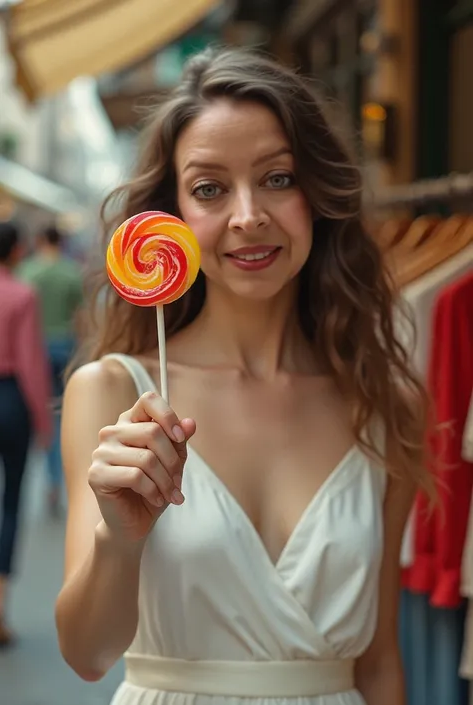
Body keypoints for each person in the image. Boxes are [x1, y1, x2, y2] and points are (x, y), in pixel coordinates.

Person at [55, 47, 434, 705]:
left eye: (279, 178)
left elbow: (376, 663)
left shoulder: (388, 402)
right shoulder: (113, 392)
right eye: (209, 188)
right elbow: (87, 654)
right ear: (169, 213)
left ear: (317, 191)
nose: (248, 214)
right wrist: (118, 536)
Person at [0, 221, 51, 645]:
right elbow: (31, 363)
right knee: (11, 503)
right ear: (17, 251)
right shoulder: (22, 294)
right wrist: (44, 422)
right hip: (10, 400)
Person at [20, 225, 83, 514]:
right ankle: (55, 481)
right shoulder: (71, 272)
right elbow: (80, 316)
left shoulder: (28, 272)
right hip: (64, 349)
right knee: (59, 416)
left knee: (33, 415)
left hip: (31, 350)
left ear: (41, 240)